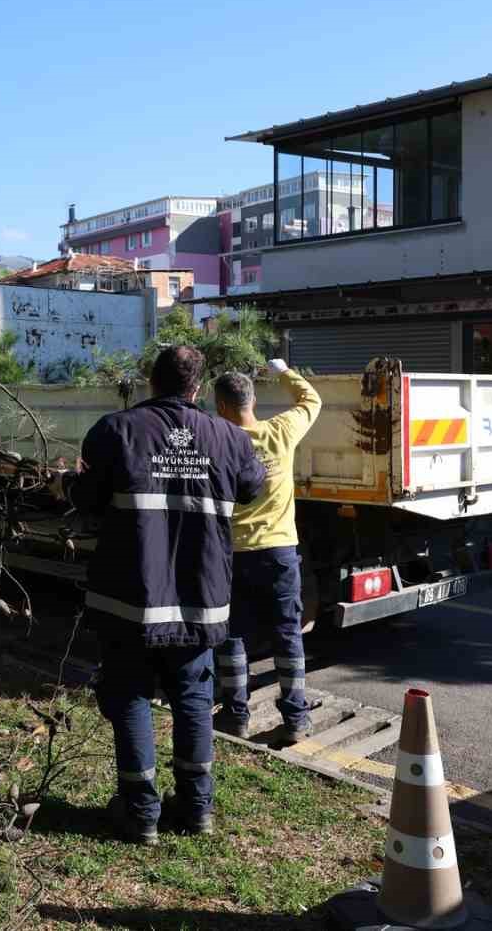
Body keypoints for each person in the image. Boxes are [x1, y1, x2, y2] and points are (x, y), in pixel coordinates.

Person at [62, 345, 267, 844]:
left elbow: (87, 500)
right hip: (201, 596)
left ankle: (141, 815)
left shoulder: (116, 430)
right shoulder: (229, 438)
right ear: (198, 389)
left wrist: (64, 484)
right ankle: (198, 810)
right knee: (194, 699)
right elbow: (253, 487)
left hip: (129, 599)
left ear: (150, 382)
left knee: (131, 696)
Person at [211, 360, 322, 744]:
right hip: (278, 553)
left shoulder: (216, 444)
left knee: (231, 634)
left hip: (231, 554)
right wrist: (283, 370)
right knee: (287, 633)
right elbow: (312, 400)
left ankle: (235, 714)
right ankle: (296, 718)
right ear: (253, 400)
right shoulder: (281, 432)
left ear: (221, 407)